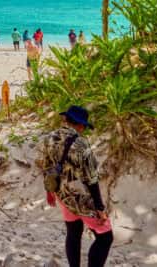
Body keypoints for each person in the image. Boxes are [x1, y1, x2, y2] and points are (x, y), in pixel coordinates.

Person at [39, 106, 113, 267]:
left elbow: (45, 166)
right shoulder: (81, 144)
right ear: (79, 125)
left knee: (73, 233)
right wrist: (99, 207)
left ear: (66, 119)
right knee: (105, 237)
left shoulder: (48, 138)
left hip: (62, 193)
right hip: (81, 197)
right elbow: (91, 179)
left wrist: (49, 191)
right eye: (84, 126)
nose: (84, 130)